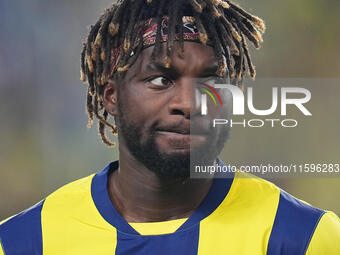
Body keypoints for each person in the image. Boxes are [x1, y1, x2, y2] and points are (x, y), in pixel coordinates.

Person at [1, 0, 340, 254]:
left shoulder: (304, 237)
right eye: (162, 79)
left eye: (210, 80)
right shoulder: (25, 242)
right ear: (111, 96)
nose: (191, 103)